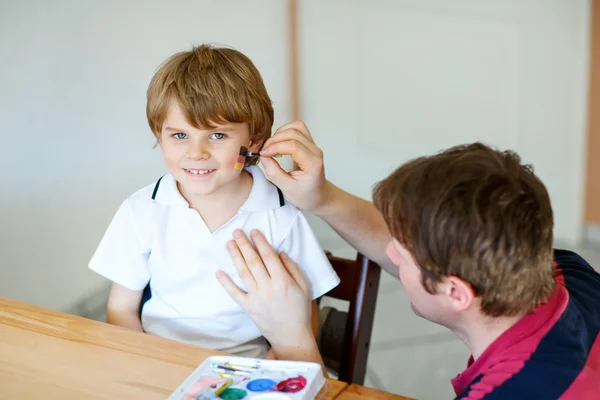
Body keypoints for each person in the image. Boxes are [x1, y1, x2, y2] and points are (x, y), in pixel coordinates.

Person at [217, 121, 600, 398]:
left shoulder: (517, 391)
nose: (391, 250)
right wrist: (322, 198)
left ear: (456, 290)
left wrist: (295, 342)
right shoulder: (561, 270)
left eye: (405, 249)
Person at [88, 47, 340, 359]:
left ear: (255, 139)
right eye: (179, 135)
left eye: (218, 136)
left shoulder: (280, 214)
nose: (196, 153)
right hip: (160, 359)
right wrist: (146, 363)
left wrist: (266, 372)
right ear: (159, 134)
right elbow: (121, 309)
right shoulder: (141, 211)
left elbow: (303, 317)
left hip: (248, 369)